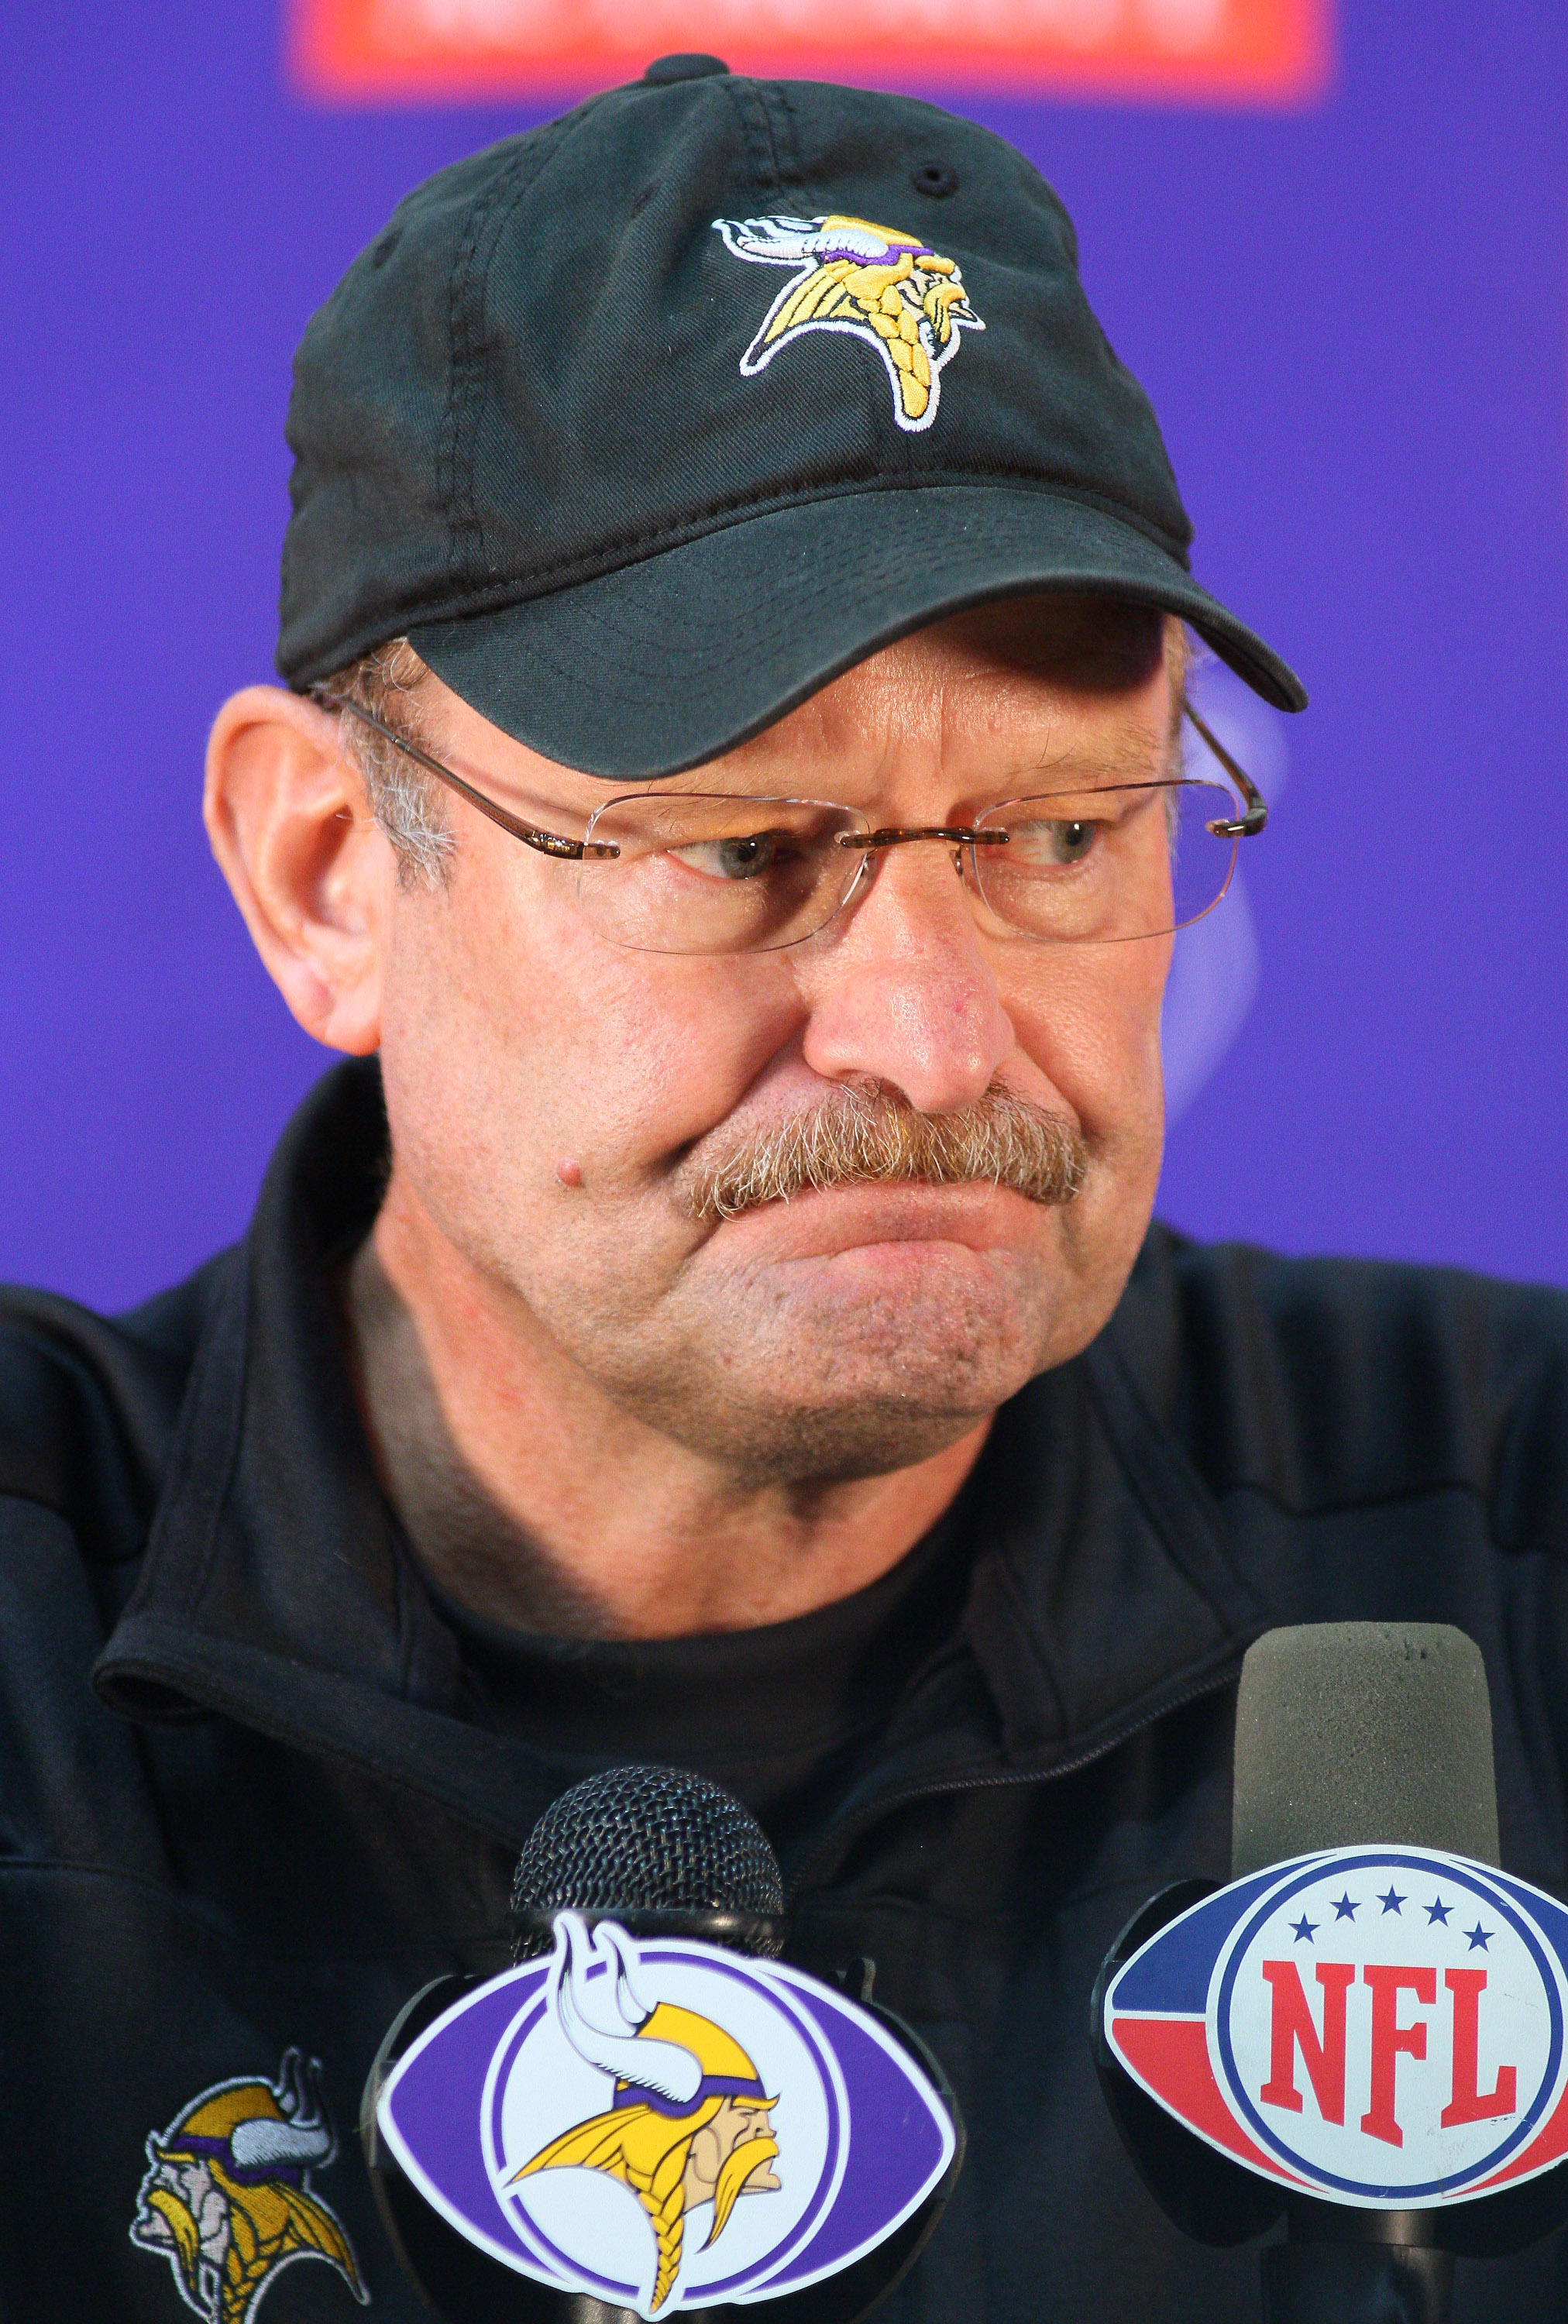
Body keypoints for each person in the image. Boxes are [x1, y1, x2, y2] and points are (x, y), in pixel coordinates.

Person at [2, 57, 1564, 2324]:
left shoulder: (1506, 1530)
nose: (931, 1039)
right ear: (329, 873)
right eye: (739, 851)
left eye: (1054, 837)